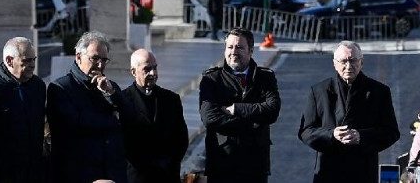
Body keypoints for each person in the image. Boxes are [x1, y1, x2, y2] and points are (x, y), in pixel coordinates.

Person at [298, 40, 400, 183]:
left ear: (361, 62)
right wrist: (331, 134)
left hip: (363, 171)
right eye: (343, 61)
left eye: (353, 60)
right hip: (328, 171)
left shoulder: (379, 91)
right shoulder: (319, 91)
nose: (348, 66)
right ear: (334, 63)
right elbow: (306, 131)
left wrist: (361, 136)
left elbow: (391, 132)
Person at [199, 27, 282, 181]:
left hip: (255, 164)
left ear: (251, 51)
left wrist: (236, 109)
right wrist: (252, 124)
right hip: (222, 163)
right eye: (230, 47)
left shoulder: (265, 78)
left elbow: (272, 110)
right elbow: (210, 118)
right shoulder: (212, 79)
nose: (233, 52)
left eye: (239, 47)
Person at [47, 30, 128, 183]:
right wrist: (112, 120)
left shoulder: (110, 86)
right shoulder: (60, 88)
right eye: (95, 58)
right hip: (80, 174)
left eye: (104, 60)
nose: (100, 64)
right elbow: (75, 128)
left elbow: (131, 117)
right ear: (78, 57)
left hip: (113, 173)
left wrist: (110, 94)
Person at [0, 36, 47, 183]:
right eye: (26, 60)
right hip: (1, 175)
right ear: (9, 60)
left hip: (33, 173)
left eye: (34, 59)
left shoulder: (38, 86)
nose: (32, 64)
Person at [116, 48, 188, 183]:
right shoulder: (122, 101)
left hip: (167, 175)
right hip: (137, 176)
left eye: (155, 68)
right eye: (147, 69)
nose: (153, 73)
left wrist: (168, 162)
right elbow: (123, 143)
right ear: (133, 72)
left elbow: (181, 138)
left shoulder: (171, 99)